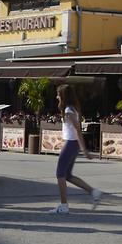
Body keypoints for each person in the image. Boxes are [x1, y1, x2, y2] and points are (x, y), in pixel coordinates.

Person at [49, 84, 102, 214]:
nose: (56, 97)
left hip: (71, 144)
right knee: (67, 175)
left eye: (58, 94)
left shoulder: (68, 111)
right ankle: (93, 192)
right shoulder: (72, 109)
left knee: (60, 174)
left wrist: (85, 150)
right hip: (72, 144)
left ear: (63, 96)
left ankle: (63, 205)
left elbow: (78, 130)